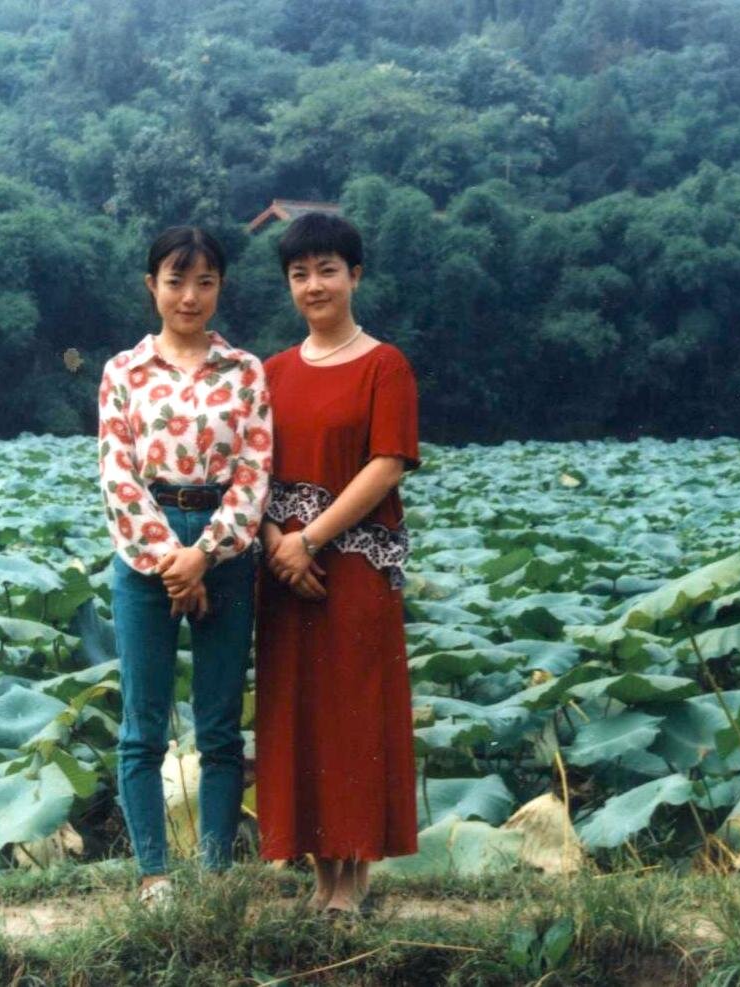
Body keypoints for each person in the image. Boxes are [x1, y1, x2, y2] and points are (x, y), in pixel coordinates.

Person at [98, 226, 272, 904]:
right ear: (153, 286)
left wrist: (203, 552)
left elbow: (254, 473)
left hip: (224, 549)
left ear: (220, 287)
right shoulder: (123, 371)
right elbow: (117, 474)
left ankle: (215, 873)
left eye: (204, 282)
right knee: (143, 723)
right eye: (176, 281)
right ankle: (154, 873)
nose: (189, 296)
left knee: (220, 724)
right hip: (146, 548)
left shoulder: (245, 371)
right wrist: (170, 557)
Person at [255, 212, 421, 913]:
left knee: (354, 715)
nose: (314, 285)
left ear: (355, 275)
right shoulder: (270, 372)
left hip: (350, 570)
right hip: (283, 575)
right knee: (300, 716)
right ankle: (321, 877)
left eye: (327, 270)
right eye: (300, 274)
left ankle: (352, 884)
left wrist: (309, 539)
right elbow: (251, 472)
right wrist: (276, 543)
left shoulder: (386, 365)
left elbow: (387, 464)